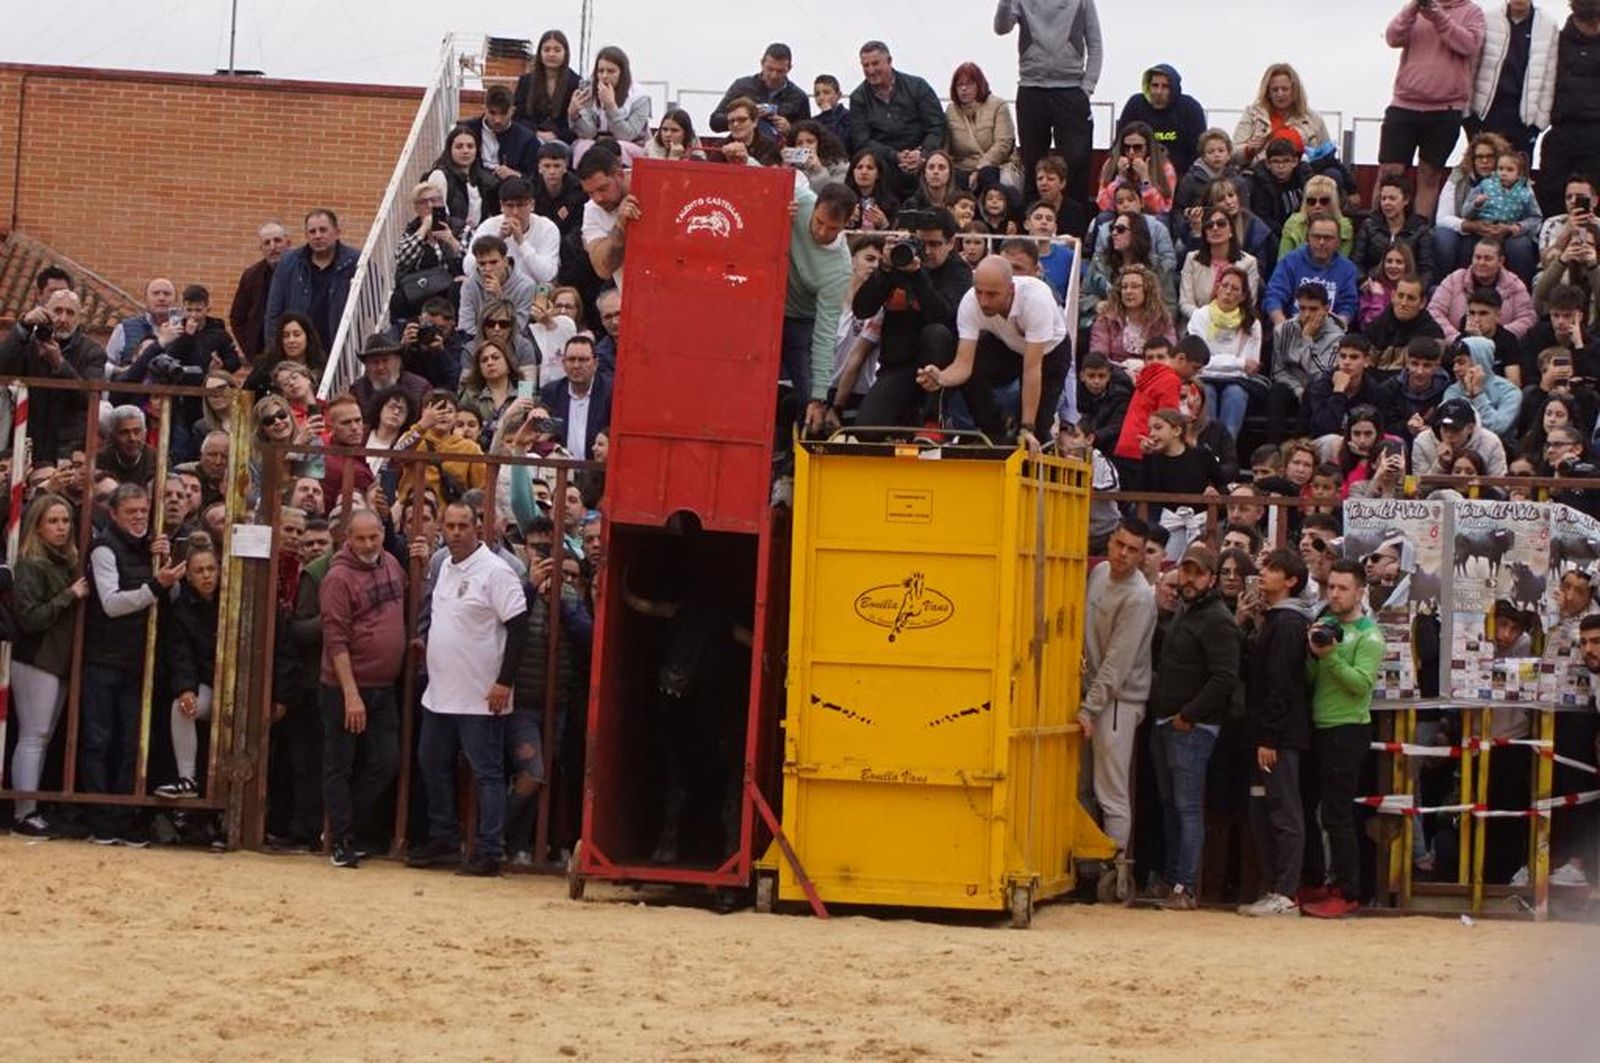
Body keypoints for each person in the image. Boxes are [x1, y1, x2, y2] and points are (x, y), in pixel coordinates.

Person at [407, 502, 529, 878]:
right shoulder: (443, 565)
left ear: (479, 528)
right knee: (431, 762)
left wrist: (504, 682)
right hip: (441, 691)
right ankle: (444, 835)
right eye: (450, 525)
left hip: (480, 693)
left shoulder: (497, 572)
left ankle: (490, 849)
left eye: (463, 525)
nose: (456, 532)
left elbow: (519, 627)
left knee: (487, 773)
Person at [81, 484, 185, 844]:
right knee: (98, 739)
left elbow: (171, 597)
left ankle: (122, 815)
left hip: (137, 659)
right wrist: (155, 584)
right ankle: (99, 816)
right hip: (104, 658)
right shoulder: (104, 549)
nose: (140, 518)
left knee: (130, 741)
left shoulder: (150, 547)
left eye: (143, 511)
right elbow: (111, 604)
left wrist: (164, 567)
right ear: (115, 514)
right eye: (132, 512)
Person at [1148, 543, 1241, 910]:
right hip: (1171, 721)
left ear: (1211, 578)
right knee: (1173, 806)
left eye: (1196, 572)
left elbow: (1224, 678)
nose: (1188, 578)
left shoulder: (1216, 619)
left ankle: (1184, 885)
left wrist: (1189, 715)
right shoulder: (1190, 612)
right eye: (1185, 570)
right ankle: (1174, 880)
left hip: (1191, 726)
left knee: (1186, 808)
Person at [318, 510, 405, 869]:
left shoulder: (392, 564)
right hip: (345, 688)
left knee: (386, 762)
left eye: (374, 537)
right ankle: (342, 839)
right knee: (340, 764)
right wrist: (350, 693)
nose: (368, 545)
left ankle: (348, 826)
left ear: (383, 534)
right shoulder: (337, 578)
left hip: (384, 685)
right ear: (347, 539)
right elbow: (335, 639)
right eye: (361, 539)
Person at [917, 256, 1071, 449]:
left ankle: (1034, 436)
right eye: (979, 292)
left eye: (992, 295)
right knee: (976, 361)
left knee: (1034, 432)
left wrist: (1027, 428)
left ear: (1011, 290)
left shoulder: (1036, 299)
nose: (984, 302)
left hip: (1050, 353)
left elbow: (1032, 369)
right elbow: (963, 365)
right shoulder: (970, 302)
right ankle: (993, 427)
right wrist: (940, 378)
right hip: (1007, 344)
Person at [1300, 560, 1383, 918]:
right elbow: (1310, 678)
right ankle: (1317, 880)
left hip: (1348, 727)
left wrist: (1330, 656)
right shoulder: (1327, 626)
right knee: (1308, 807)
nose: (1334, 593)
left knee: (1338, 813)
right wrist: (1311, 652)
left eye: (1342, 588)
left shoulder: (1370, 635)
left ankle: (1348, 890)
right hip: (1319, 726)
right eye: (1330, 586)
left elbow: (1361, 685)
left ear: (1360, 592)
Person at [839, 208, 972, 430]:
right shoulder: (901, 260)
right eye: (922, 243)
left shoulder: (958, 271)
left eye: (935, 244)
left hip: (940, 367)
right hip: (899, 364)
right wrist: (885, 268)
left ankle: (933, 420)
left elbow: (941, 315)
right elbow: (862, 309)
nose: (927, 251)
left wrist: (918, 275)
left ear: (951, 243)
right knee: (867, 431)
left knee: (936, 333)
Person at [1080, 519, 1158, 889]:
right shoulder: (1097, 574)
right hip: (1092, 695)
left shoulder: (1139, 596)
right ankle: (1086, 871)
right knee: (1083, 788)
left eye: (1132, 549)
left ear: (1143, 555)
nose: (1123, 554)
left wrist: (1089, 707)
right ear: (1109, 543)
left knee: (1110, 792)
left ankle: (1115, 876)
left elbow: (1117, 662)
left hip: (1118, 702)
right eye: (1118, 545)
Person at [7, 494, 90, 836]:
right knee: (33, 735)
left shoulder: (66, 561)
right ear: (38, 527)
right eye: (53, 522)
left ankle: (32, 807)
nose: (61, 528)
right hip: (37, 658)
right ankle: (24, 811)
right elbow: (28, 618)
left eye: (65, 521)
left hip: (57, 659)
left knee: (43, 736)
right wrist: (68, 595)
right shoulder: (30, 564)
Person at [1379, 0, 1488, 221]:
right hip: (1404, 104)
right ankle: (1377, 230)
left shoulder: (1472, 11)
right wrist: (1412, 9)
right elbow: (1392, 37)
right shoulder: (1414, 10)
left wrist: (1438, 16)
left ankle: (1418, 233)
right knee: (1390, 172)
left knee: (1429, 174)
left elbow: (1469, 45)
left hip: (1445, 109)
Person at [780, 181, 855, 468]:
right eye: (819, 222)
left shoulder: (839, 268)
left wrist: (819, 397)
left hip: (800, 320)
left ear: (847, 224)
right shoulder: (799, 199)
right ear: (813, 207)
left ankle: (791, 471)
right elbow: (763, 180)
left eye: (832, 228)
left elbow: (825, 334)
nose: (822, 232)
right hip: (762, 307)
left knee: (805, 394)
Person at [0, 290, 107, 462]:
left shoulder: (93, 352)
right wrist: (23, 325)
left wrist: (59, 364)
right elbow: (3, 369)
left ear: (79, 319)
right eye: (57, 311)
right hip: (26, 438)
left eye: (70, 313)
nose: (63, 319)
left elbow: (90, 397)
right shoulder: (28, 343)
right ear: (45, 311)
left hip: (67, 447)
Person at [152, 538, 221, 801]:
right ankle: (187, 778)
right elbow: (181, 654)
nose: (207, 576)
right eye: (199, 571)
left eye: (211, 569)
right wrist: (185, 690)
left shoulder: (233, 598)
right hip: (208, 683)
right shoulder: (182, 609)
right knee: (182, 709)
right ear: (188, 577)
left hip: (237, 686)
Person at [846, 41, 946, 197]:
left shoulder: (918, 86)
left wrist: (922, 153)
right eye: (865, 66)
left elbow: (937, 126)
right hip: (884, 165)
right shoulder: (858, 98)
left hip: (922, 160)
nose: (871, 70)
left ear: (889, 61)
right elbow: (862, 140)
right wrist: (895, 156)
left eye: (875, 64)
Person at [1469, 0, 1562, 162]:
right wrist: (1469, 116)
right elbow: (1472, 66)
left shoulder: (1547, 25)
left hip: (1524, 118)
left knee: (1517, 177)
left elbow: (1549, 78)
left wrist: (1538, 124)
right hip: (1487, 113)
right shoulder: (1488, 18)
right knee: (1483, 176)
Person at [1537, 2, 1600, 218]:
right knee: (1551, 194)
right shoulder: (1557, 42)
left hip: (1595, 131)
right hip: (1561, 128)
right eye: (1590, 22)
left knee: (1594, 195)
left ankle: (1590, 245)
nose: (1594, 26)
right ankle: (1551, 244)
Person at [265, 208, 359, 351]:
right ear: (306, 235)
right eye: (312, 232)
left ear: (337, 233)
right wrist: (274, 350)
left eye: (323, 230)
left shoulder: (357, 262)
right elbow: (274, 311)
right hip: (300, 352)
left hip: (342, 350)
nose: (317, 236)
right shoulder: (289, 263)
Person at [1188, 266, 1264, 439]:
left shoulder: (1252, 323)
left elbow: (1251, 366)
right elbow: (1198, 362)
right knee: (1206, 391)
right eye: (1225, 285)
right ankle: (1209, 448)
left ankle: (1226, 450)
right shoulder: (1200, 316)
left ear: (1243, 296)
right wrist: (1238, 363)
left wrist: (1217, 363)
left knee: (1235, 393)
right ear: (1217, 288)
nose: (1228, 292)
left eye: (1235, 288)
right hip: (1204, 379)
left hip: (1238, 383)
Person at [1266, 283, 1348, 439]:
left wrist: (1307, 339)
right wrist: (1297, 389)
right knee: (1277, 390)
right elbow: (1278, 370)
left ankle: (1300, 446)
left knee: (1313, 390)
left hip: (1319, 391)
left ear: (1326, 308)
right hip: (1292, 387)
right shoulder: (1283, 330)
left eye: (1313, 309)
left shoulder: (1338, 338)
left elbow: (1323, 375)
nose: (1306, 315)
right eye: (1302, 308)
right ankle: (1273, 449)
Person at [1429, 238, 1538, 340]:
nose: (1481, 263)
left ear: (1501, 261)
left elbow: (1527, 318)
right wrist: (1456, 338)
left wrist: (1497, 336)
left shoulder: (1514, 284)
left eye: (1488, 258)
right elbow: (1434, 312)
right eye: (1477, 257)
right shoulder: (1454, 279)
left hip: (1501, 348)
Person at [463, 176, 560, 288]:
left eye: (521, 205)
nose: (515, 212)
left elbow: (547, 275)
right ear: (501, 206)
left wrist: (521, 242)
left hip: (533, 289)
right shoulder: (489, 225)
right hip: (496, 286)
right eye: (509, 206)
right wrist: (497, 240)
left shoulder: (547, 228)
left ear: (532, 205)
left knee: (547, 288)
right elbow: (468, 268)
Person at [1264, 216, 1361, 326]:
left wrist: (1336, 330)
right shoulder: (1290, 262)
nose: (1321, 242)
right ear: (1307, 238)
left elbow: (1348, 306)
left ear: (1338, 242)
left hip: (1330, 331)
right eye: (1316, 237)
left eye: (1328, 238)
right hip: (1291, 326)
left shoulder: (1348, 269)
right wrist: (1281, 325)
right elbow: (1274, 295)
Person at [1233, 63, 1334, 165]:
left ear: (1295, 90)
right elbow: (1233, 155)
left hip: (1303, 174)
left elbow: (1327, 155)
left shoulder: (1313, 118)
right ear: (1268, 92)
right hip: (1259, 173)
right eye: (1275, 89)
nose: (1280, 94)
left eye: (1285, 89)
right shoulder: (1252, 114)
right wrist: (1249, 150)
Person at [1354, 175, 1439, 292]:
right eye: (1383, 199)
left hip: (1407, 290)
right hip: (1373, 288)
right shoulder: (1369, 225)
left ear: (1406, 200)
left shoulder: (1420, 229)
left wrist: (1415, 290)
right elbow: (1356, 262)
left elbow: (1427, 270)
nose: (1386, 203)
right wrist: (1364, 281)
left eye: (1392, 198)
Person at [946, 62, 1021, 190]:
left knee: (987, 175)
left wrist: (979, 168)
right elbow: (946, 144)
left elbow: (1003, 143)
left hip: (993, 166)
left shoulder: (998, 105)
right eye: (960, 85)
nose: (964, 89)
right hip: (962, 168)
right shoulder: (951, 110)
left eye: (969, 84)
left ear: (979, 85)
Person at [710, 44, 809, 140]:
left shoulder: (799, 97)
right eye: (769, 69)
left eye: (780, 71)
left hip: (778, 153)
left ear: (789, 68)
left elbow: (809, 136)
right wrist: (742, 118)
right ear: (762, 63)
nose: (773, 75)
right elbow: (715, 122)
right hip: (742, 149)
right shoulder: (742, 86)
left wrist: (790, 130)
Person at [569, 46, 651, 163]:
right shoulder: (588, 92)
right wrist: (575, 116)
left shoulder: (640, 98)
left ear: (622, 73)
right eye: (601, 71)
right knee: (583, 146)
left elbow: (628, 135)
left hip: (629, 145)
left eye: (611, 71)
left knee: (619, 148)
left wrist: (611, 107)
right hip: (597, 141)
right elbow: (589, 133)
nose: (604, 76)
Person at [539, 335, 611, 460]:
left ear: (595, 363)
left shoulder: (610, 391)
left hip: (598, 471)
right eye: (571, 359)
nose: (576, 365)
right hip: (561, 472)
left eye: (583, 360)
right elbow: (541, 438)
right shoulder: (551, 392)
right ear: (563, 363)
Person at [1089, 266, 1176, 370]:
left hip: (1154, 373)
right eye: (1124, 287)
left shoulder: (1161, 319)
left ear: (1147, 290)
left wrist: (1144, 367)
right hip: (1115, 376)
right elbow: (1098, 355)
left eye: (1134, 287)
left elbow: (1170, 352)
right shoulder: (1106, 319)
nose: (1128, 291)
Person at [577, 146, 634, 292]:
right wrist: (621, 224)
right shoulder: (591, 210)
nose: (598, 199)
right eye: (590, 193)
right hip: (633, 298)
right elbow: (603, 269)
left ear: (620, 175)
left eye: (603, 189)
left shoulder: (652, 185)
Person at [230, 221, 288, 361]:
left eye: (277, 240)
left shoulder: (301, 272)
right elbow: (237, 318)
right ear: (261, 248)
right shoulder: (251, 276)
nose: (272, 247)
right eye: (267, 243)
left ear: (288, 243)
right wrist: (251, 351)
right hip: (262, 354)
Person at [468, 84, 540, 192]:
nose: (497, 120)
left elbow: (535, 178)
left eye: (503, 114)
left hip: (511, 191)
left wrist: (516, 175)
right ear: (484, 109)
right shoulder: (467, 130)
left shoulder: (527, 139)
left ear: (512, 111)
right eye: (492, 113)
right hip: (473, 187)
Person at [1412, 395, 1510, 474]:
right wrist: (1441, 465)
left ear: (1470, 428)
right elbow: (1419, 490)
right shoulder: (1423, 442)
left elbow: (1500, 488)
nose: (1449, 435)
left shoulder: (1491, 442)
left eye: (1456, 429)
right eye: (1445, 428)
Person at [1096, 122, 1177, 216]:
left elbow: (1162, 209)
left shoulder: (1165, 167)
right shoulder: (1111, 164)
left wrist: (1145, 180)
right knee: (1103, 217)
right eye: (1126, 147)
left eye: (1137, 147)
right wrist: (1120, 179)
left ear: (1148, 148)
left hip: (1150, 217)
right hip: (1118, 215)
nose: (1131, 152)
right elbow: (1103, 205)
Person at [514, 30, 581, 142]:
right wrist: (536, 133)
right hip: (530, 138)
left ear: (565, 53)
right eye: (547, 49)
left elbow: (576, 122)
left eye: (557, 50)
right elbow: (517, 117)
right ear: (540, 53)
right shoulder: (526, 81)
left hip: (563, 141)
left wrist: (556, 135)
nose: (551, 54)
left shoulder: (575, 82)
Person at [718, 97, 784, 168]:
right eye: (731, 121)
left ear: (755, 122)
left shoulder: (770, 147)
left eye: (742, 120)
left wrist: (747, 160)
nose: (735, 124)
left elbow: (772, 176)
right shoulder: (720, 147)